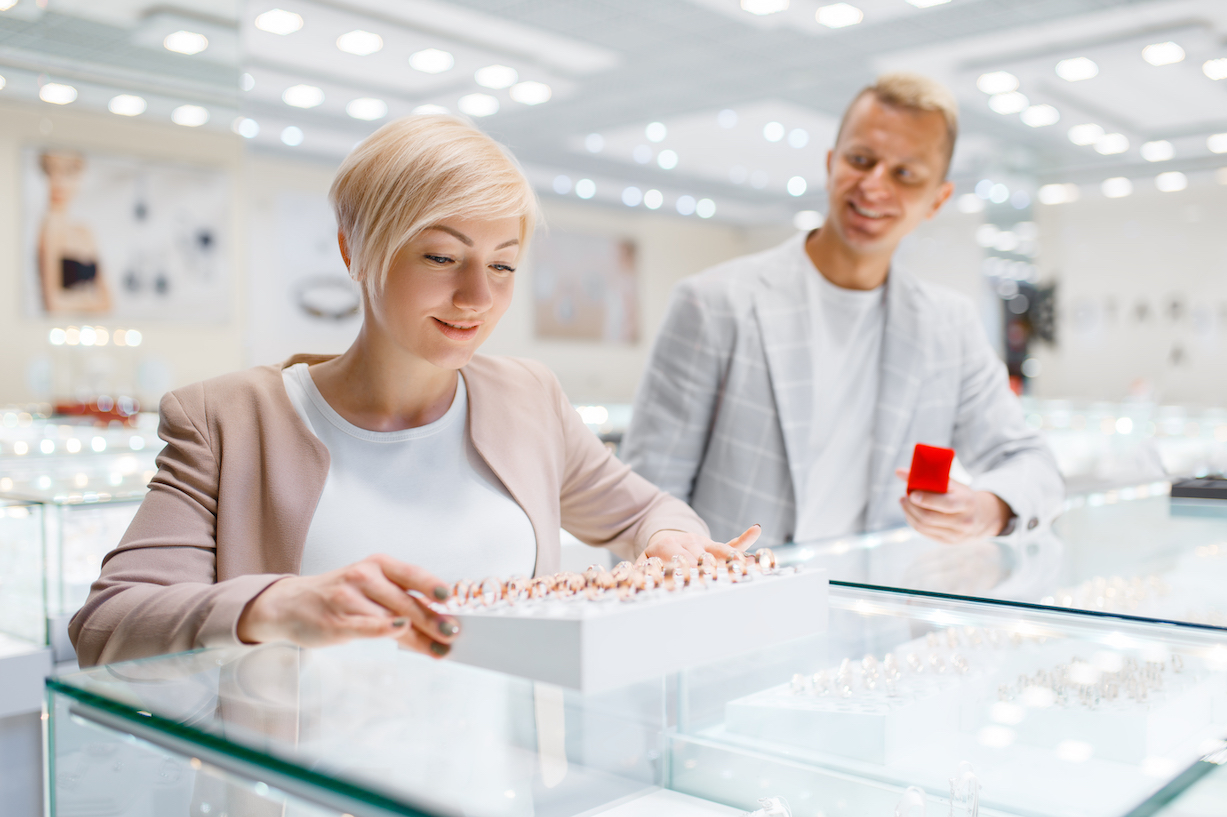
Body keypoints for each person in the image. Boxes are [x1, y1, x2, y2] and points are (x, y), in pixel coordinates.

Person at [71, 115, 758, 668]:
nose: (477, 297)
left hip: (501, 806)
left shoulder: (528, 398)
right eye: (441, 256)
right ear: (354, 251)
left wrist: (674, 542)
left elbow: (650, 514)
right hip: (305, 816)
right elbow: (107, 625)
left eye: (504, 265)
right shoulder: (228, 420)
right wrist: (277, 605)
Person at [622, 72, 1062, 548]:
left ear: (938, 198)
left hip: (875, 611)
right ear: (832, 164)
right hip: (732, 605)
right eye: (860, 159)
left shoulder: (948, 326)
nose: (874, 185)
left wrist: (988, 508)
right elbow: (644, 500)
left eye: (905, 174)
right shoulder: (714, 303)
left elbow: (1033, 464)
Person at [37, 151, 112, 315]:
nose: (58, 182)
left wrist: (74, 301)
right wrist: (88, 301)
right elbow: (53, 304)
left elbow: (108, 302)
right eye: (51, 172)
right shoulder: (49, 228)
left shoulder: (85, 231)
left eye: (67, 173)